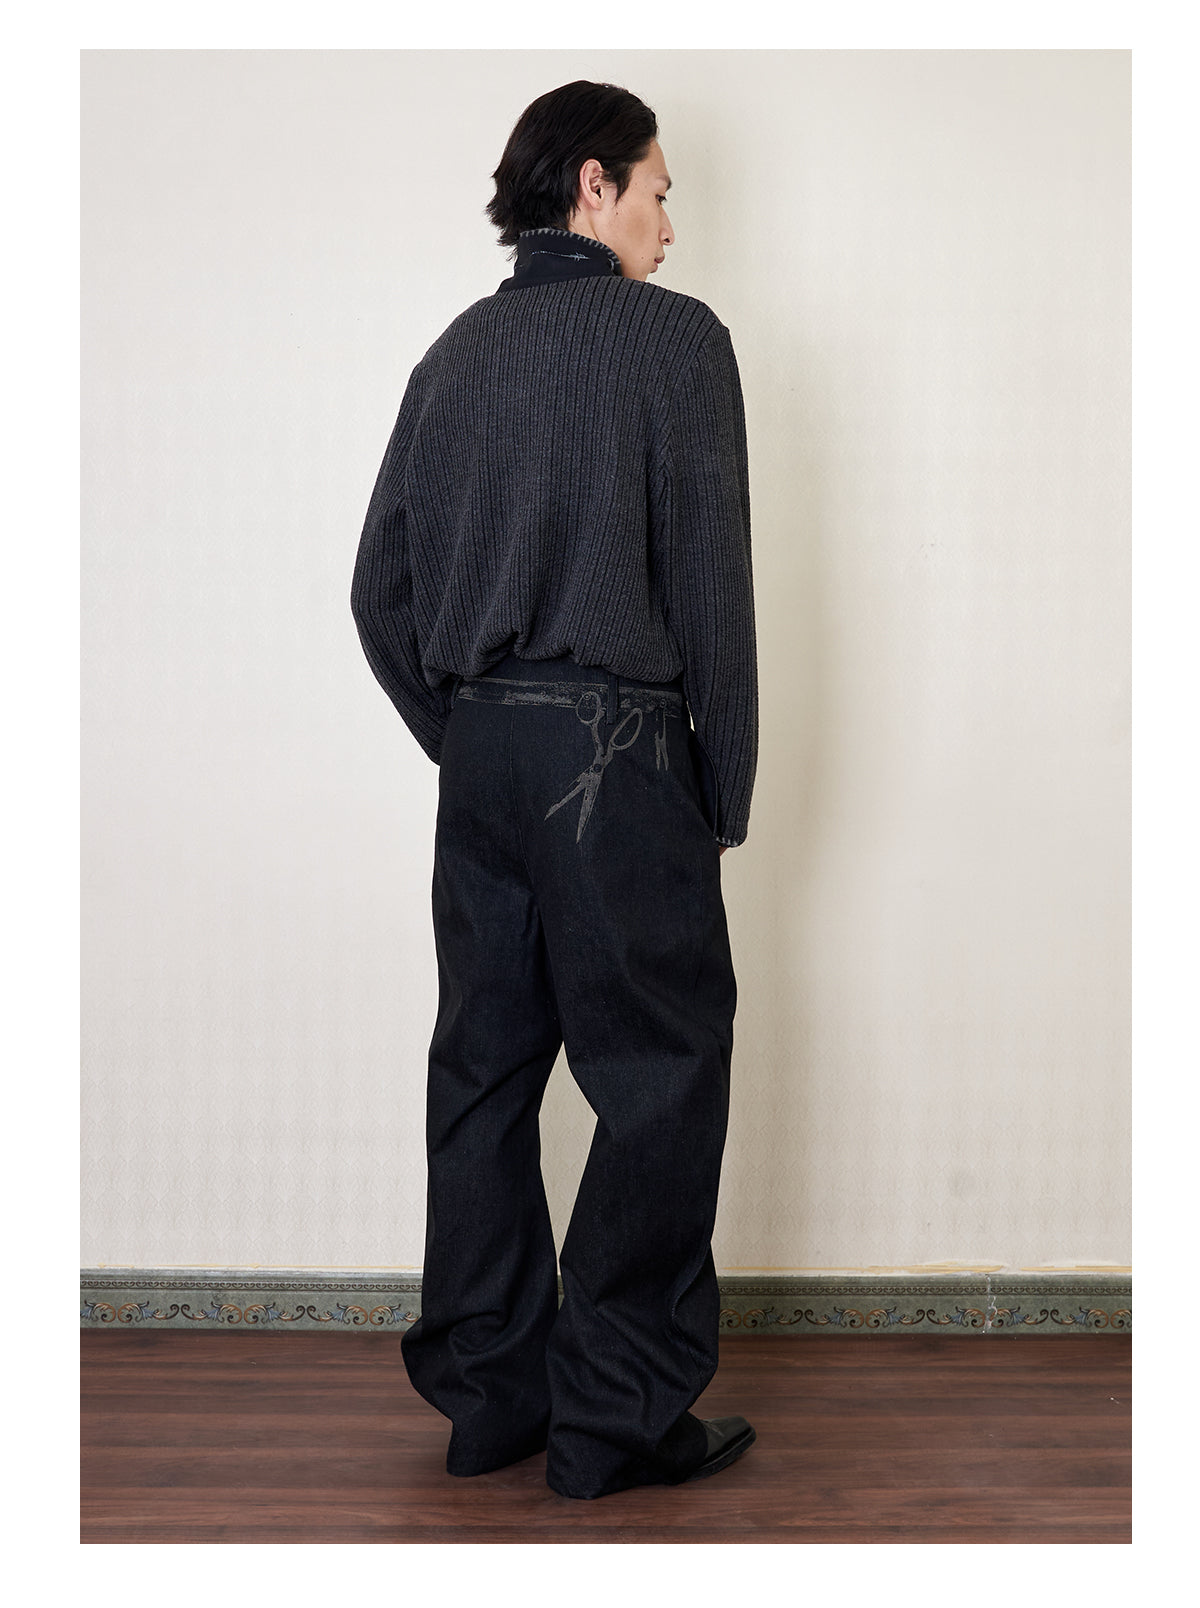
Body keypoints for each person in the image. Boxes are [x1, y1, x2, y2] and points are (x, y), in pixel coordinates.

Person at [350, 79, 759, 1501]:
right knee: (659, 1073)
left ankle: (492, 1401)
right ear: (593, 185)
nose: (669, 225)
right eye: (658, 192)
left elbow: (378, 590)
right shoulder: (679, 341)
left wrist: (467, 734)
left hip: (486, 760)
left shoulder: (453, 354)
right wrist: (720, 785)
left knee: (483, 1068)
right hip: (620, 755)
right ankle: (615, 1421)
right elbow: (711, 585)